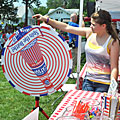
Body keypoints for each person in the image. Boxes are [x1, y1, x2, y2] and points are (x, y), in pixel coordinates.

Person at [32, 9, 119, 93]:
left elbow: (114, 67)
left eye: (93, 25)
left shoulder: (113, 42)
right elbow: (66, 27)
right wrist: (46, 20)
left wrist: (112, 86)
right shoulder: (89, 33)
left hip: (104, 84)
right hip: (88, 81)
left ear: (103, 26)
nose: (90, 26)